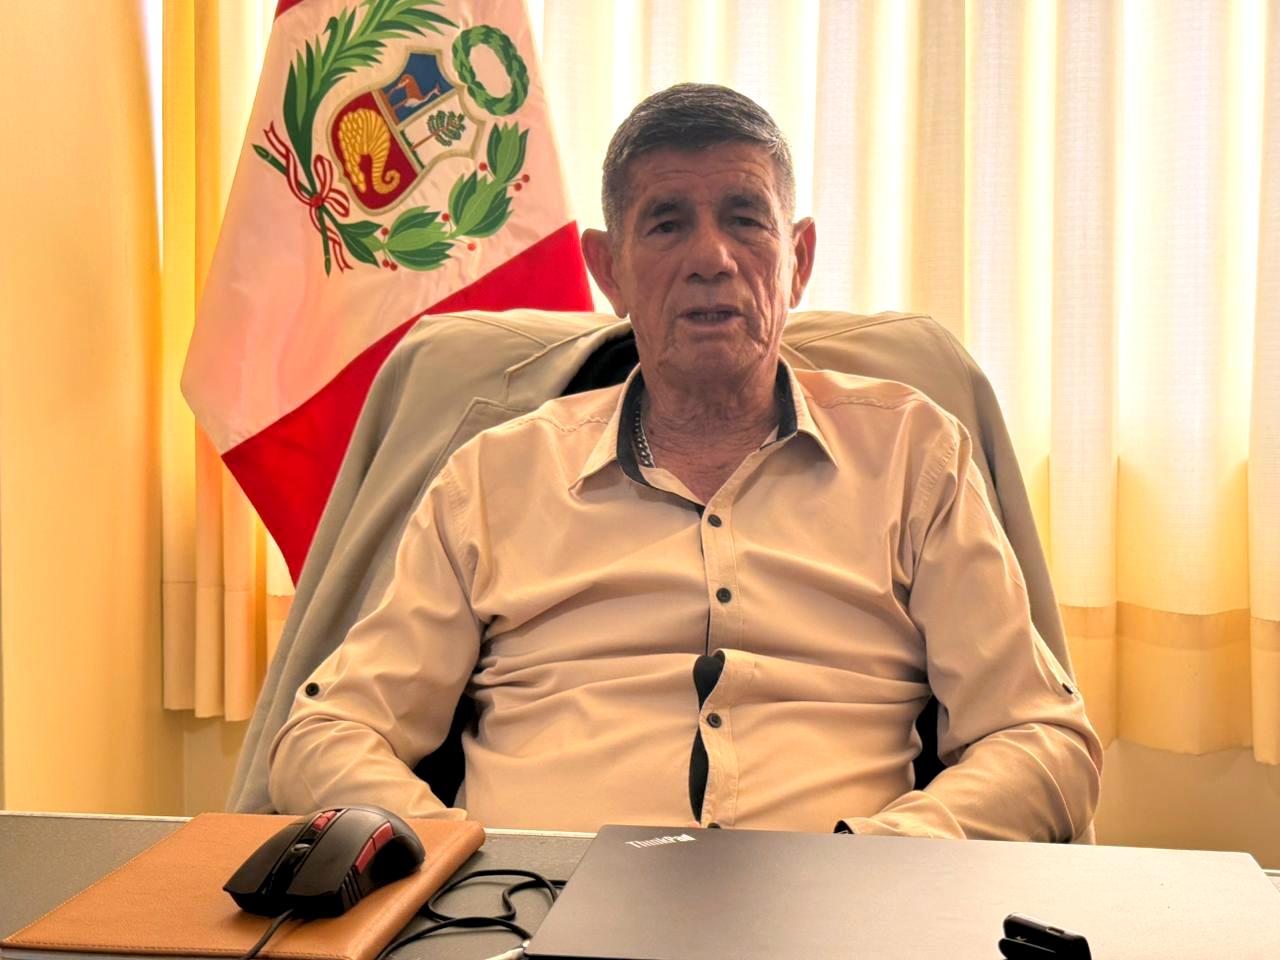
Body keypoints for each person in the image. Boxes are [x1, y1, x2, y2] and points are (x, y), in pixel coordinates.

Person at [268, 84, 1102, 839]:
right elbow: (328, 733)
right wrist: (456, 859)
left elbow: (1041, 740)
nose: (713, 258)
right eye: (668, 223)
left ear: (799, 260)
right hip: (531, 913)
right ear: (610, 270)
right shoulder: (493, 478)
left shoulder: (913, 455)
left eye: (745, 219)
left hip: (833, 914)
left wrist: (885, 860)